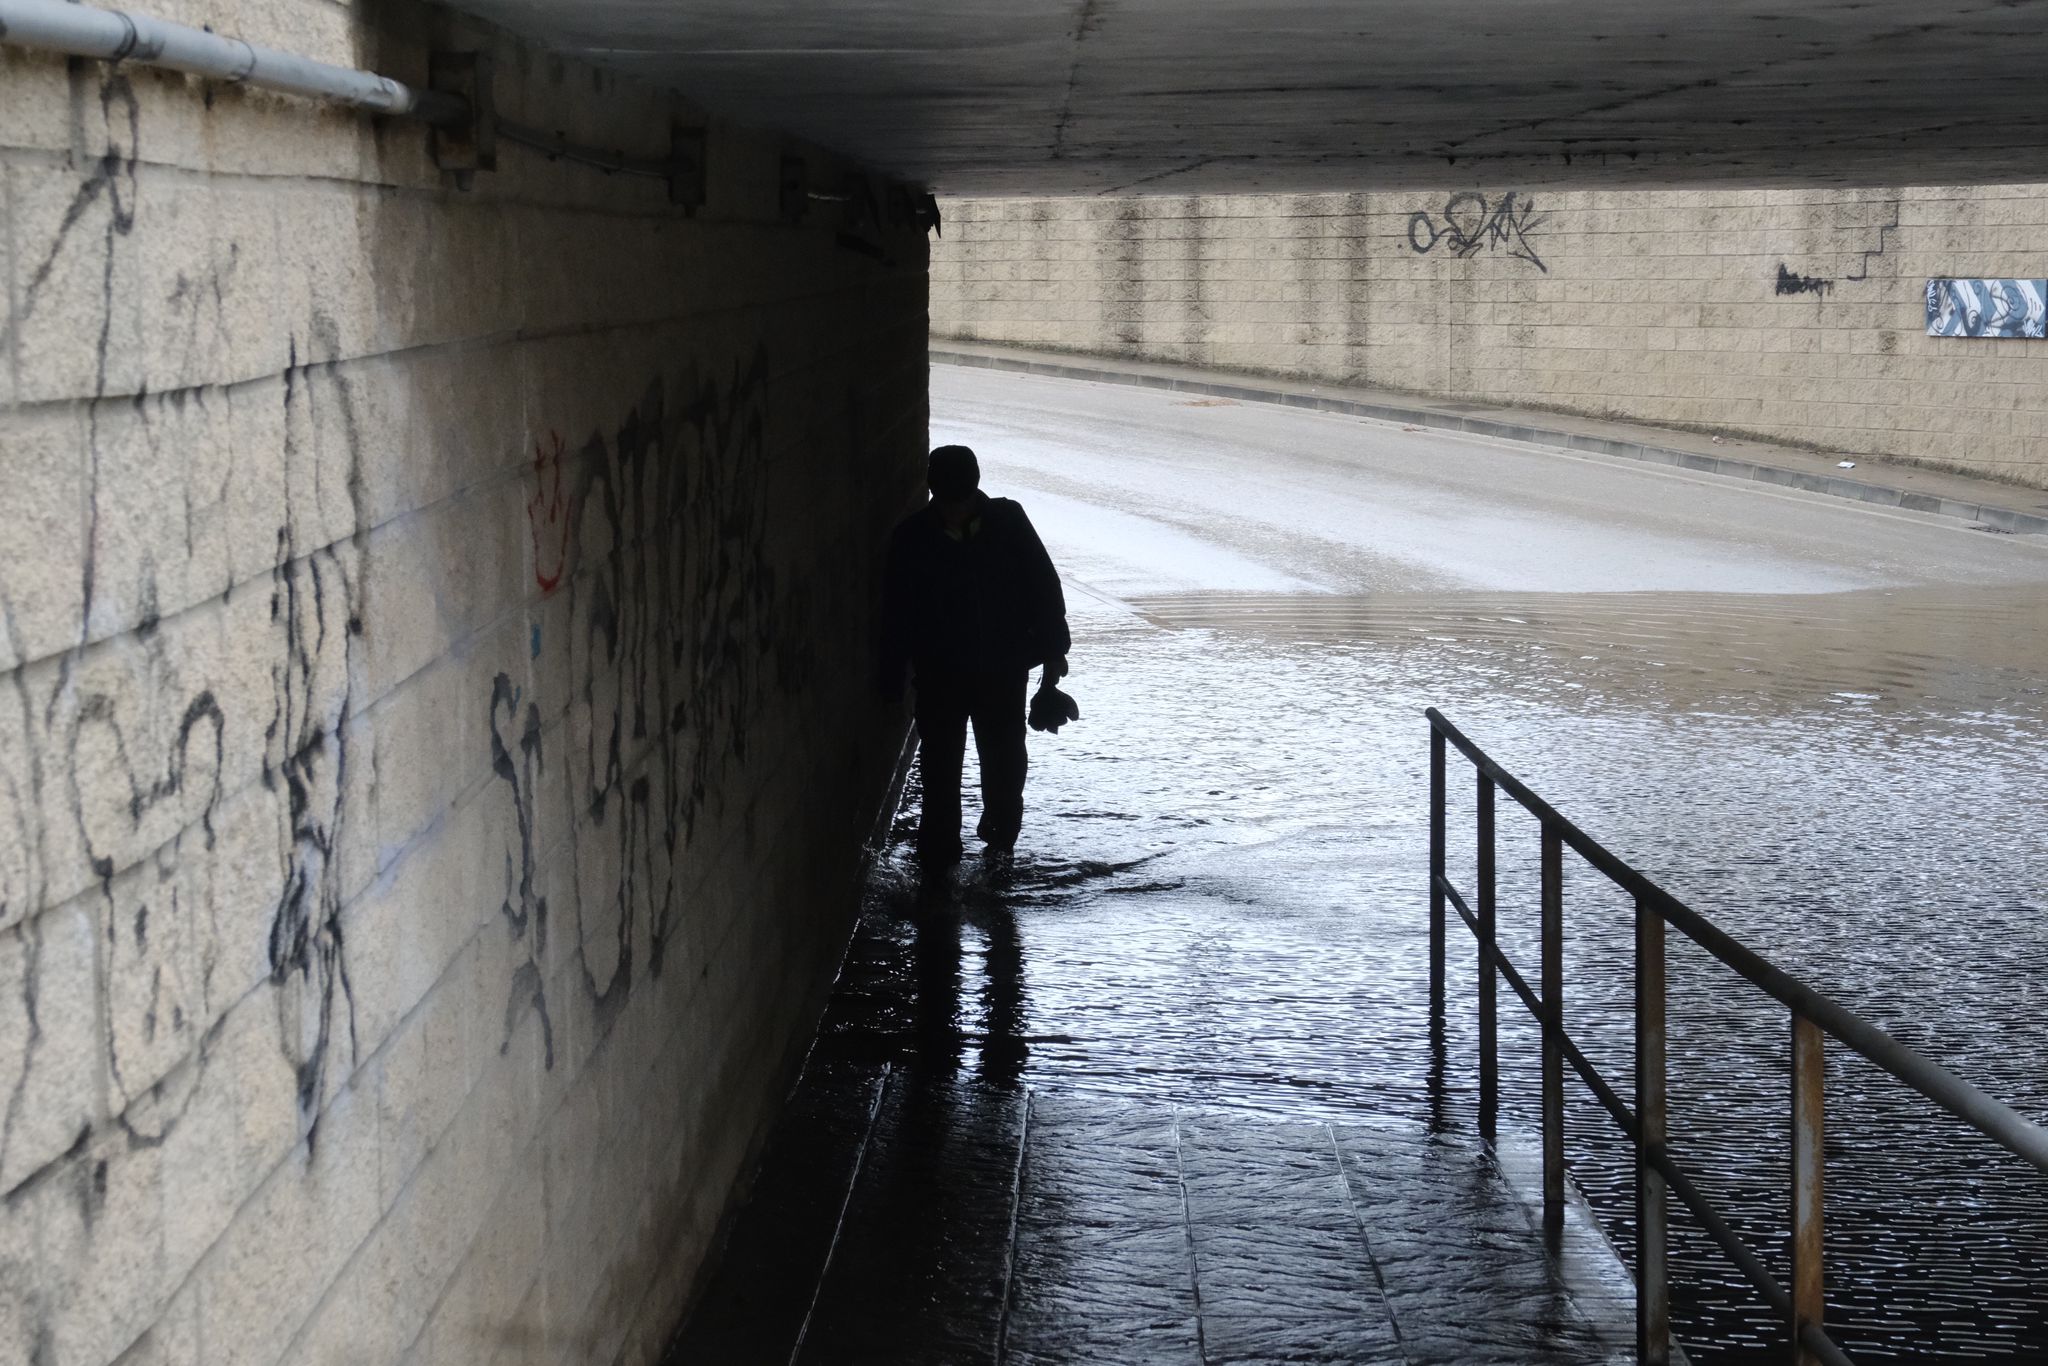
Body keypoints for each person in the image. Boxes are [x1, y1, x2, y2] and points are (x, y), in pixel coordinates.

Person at [881, 445, 1071, 864]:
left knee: (1004, 770)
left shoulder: (1007, 520)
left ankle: (1000, 848)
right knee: (940, 774)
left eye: (961, 502)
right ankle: (940, 862)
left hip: (1000, 675)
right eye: (948, 503)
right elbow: (896, 612)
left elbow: (1044, 585)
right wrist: (891, 677)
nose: (954, 511)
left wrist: (1055, 651)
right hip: (941, 677)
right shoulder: (913, 537)